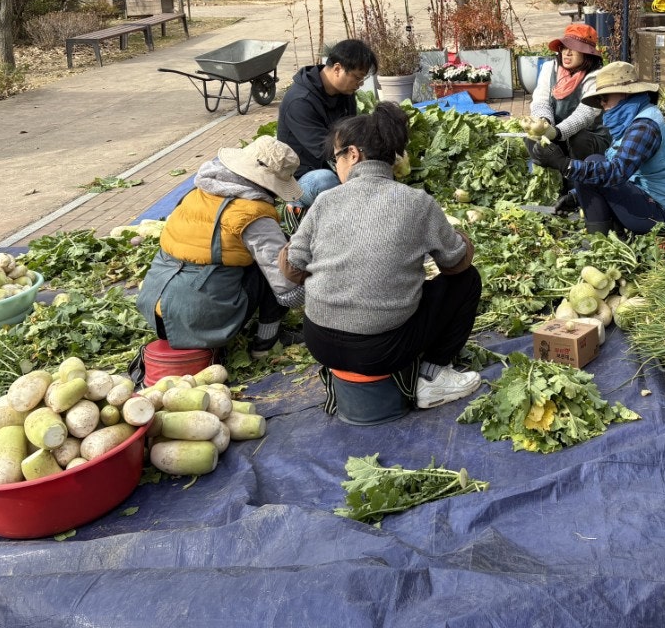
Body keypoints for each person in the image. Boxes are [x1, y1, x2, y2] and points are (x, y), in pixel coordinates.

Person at [279, 102, 484, 411]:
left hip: (319, 342)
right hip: (383, 350)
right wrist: (459, 240)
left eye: (335, 158)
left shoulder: (325, 200)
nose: (336, 166)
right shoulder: (416, 202)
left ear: (353, 154)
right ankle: (432, 376)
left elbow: (292, 269)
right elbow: (456, 263)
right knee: (468, 281)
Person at [136, 136, 306, 359]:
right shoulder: (253, 214)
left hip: (155, 307)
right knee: (281, 262)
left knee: (248, 258)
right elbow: (287, 291)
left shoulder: (197, 192)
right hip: (197, 317)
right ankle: (266, 343)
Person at [528, 61, 665, 237]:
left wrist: (564, 164)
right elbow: (616, 170)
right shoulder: (634, 118)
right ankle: (610, 238)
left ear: (624, 94)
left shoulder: (644, 126)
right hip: (654, 204)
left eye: (605, 97)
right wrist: (576, 196)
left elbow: (616, 172)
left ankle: (601, 243)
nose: (602, 103)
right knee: (592, 167)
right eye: (600, 99)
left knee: (592, 164)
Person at [276, 38, 377, 208]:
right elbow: (328, 150)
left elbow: (350, 135)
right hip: (299, 180)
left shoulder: (345, 92)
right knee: (325, 181)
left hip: (337, 165)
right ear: (337, 69)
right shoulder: (300, 102)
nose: (360, 85)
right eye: (358, 78)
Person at [528, 22, 609, 213]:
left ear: (587, 54)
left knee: (578, 138)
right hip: (555, 132)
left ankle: (578, 191)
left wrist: (557, 132)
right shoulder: (550, 69)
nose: (567, 53)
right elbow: (540, 100)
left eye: (574, 49)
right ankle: (554, 189)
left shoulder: (596, 76)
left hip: (590, 138)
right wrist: (543, 124)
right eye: (564, 48)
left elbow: (586, 113)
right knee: (531, 139)